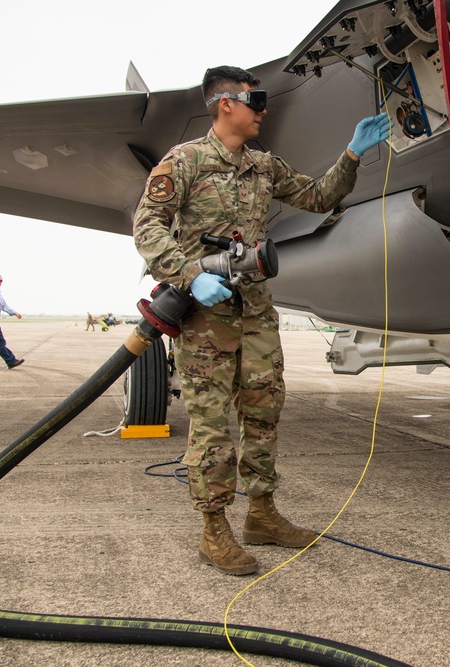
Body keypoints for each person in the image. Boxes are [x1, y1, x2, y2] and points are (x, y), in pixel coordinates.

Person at [133, 65, 389, 576]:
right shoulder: (184, 161)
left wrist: (353, 154)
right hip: (204, 314)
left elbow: (318, 197)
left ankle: (263, 515)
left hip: (254, 311)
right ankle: (213, 531)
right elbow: (147, 225)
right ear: (225, 103)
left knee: (264, 412)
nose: (264, 110)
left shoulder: (264, 166)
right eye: (257, 100)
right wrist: (188, 274)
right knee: (209, 424)